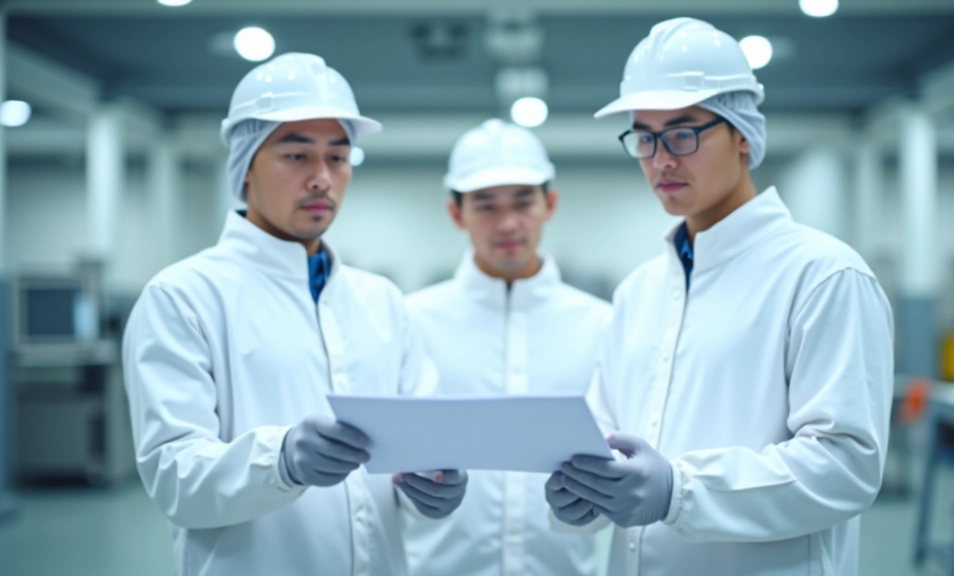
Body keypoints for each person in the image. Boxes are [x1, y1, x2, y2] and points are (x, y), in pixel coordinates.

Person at [544, 18, 894, 576]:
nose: (660, 159)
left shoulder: (823, 275)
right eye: (644, 136)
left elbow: (845, 465)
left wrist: (681, 491)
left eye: (682, 133)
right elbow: (605, 439)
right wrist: (581, 497)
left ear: (743, 133)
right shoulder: (638, 293)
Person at [122, 52, 467, 576]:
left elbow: (420, 446)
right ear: (244, 165)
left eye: (338, 157)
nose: (323, 179)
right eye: (297, 156)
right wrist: (278, 459)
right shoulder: (183, 296)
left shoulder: (381, 301)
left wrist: (436, 487)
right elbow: (173, 478)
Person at [401, 119, 612, 576]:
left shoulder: (601, 324)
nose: (508, 223)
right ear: (456, 214)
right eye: (486, 206)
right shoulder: (409, 322)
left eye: (523, 202)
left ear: (549, 204)